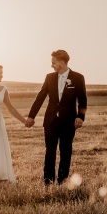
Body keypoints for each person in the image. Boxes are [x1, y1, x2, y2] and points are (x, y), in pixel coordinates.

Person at [25, 50, 87, 185]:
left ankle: (62, 180)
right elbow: (40, 97)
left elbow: (82, 100)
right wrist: (31, 116)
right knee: (50, 150)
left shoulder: (77, 78)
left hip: (68, 121)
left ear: (62, 62)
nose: (51, 65)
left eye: (53, 62)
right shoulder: (49, 77)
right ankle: (48, 181)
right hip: (51, 120)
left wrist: (80, 117)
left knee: (66, 151)